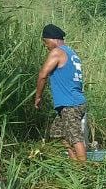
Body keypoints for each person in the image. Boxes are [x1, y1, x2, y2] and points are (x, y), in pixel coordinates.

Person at [33, 24, 87, 161]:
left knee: (75, 137)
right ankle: (76, 165)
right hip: (72, 103)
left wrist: (38, 97)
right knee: (58, 134)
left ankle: (85, 169)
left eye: (46, 41)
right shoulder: (71, 53)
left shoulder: (57, 52)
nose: (45, 45)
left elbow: (42, 75)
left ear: (53, 39)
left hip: (70, 104)